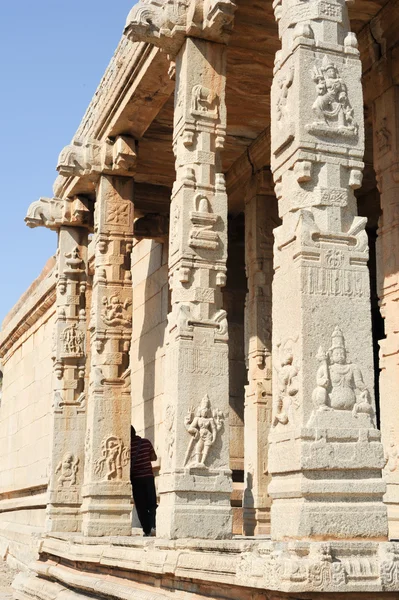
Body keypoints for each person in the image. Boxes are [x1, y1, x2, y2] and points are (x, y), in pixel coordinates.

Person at [130, 425, 158, 537]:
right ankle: (153, 526)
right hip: (148, 477)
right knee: (151, 503)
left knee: (140, 506)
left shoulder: (127, 446)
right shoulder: (145, 442)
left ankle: (147, 530)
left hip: (136, 479)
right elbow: (154, 457)